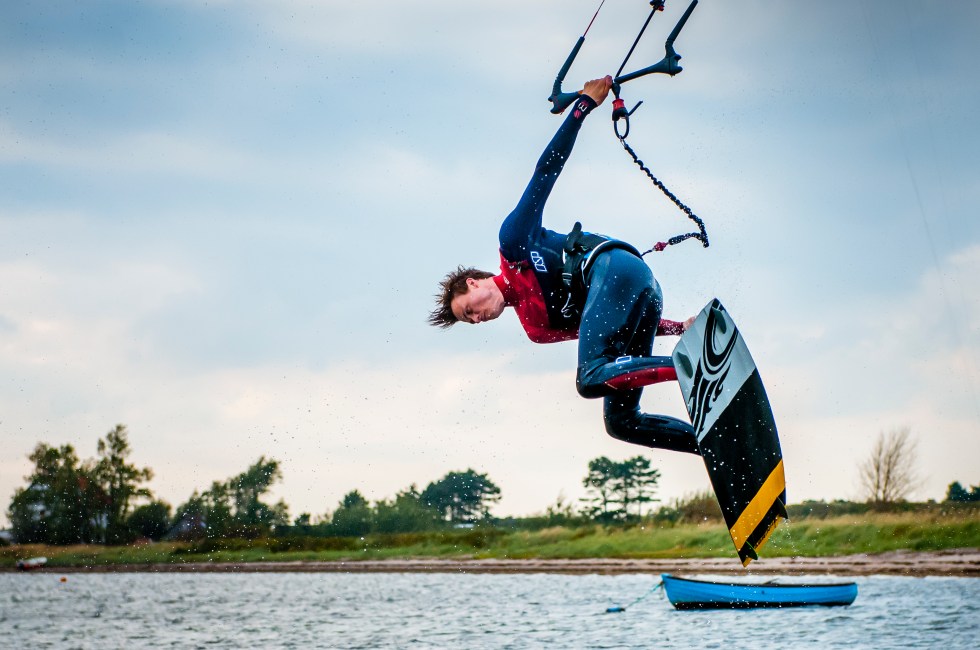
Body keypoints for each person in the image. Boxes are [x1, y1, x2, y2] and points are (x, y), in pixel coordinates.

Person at [429, 76, 700, 457]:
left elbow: (545, 172)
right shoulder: (537, 329)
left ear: (474, 283)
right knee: (621, 423)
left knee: (589, 378)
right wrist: (677, 328)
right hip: (644, 299)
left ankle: (692, 368)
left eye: (467, 310)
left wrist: (583, 106)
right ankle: (712, 447)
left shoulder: (513, 244)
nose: (475, 319)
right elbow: (608, 326)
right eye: (469, 322)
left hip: (618, 267)